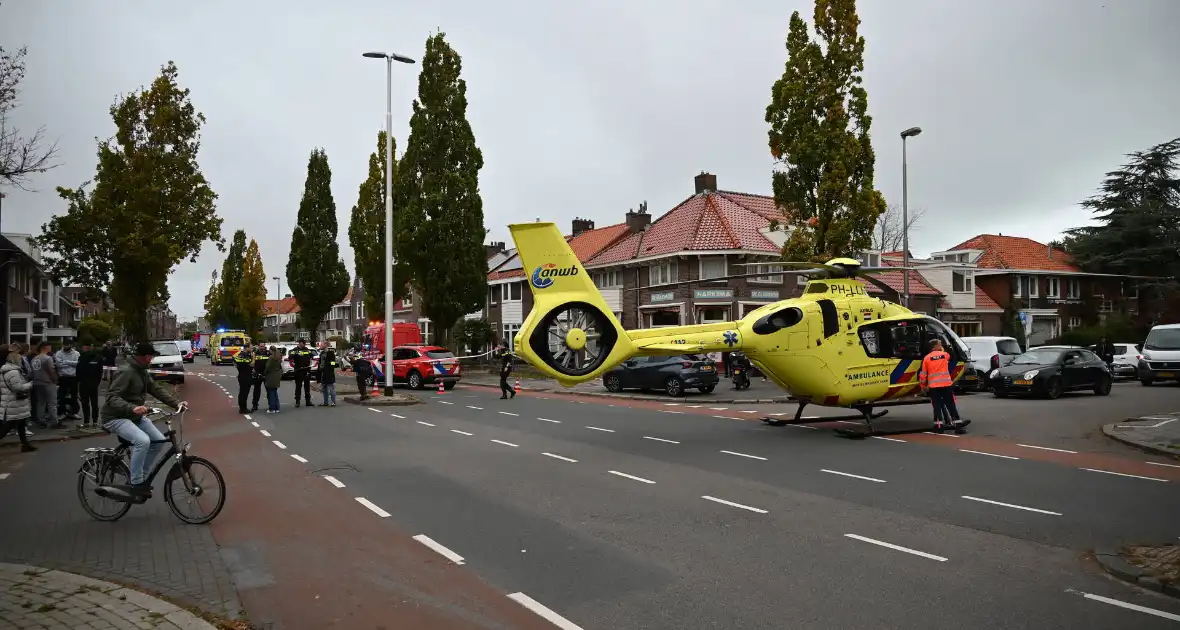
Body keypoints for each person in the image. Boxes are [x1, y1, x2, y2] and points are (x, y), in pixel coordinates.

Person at [100, 342, 187, 497]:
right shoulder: (126, 371)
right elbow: (111, 397)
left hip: (134, 417)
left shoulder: (142, 371)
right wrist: (132, 408)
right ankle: (135, 482)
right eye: (152, 356)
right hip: (115, 417)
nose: (152, 359)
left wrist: (176, 404)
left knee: (158, 441)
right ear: (146, 357)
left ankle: (142, 476)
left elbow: (156, 389)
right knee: (143, 441)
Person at [919, 339, 965, 435]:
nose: (941, 346)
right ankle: (958, 427)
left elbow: (923, 375)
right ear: (935, 347)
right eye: (939, 344)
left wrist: (923, 387)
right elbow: (949, 355)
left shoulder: (926, 358)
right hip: (946, 385)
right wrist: (942, 349)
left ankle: (939, 427)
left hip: (934, 387)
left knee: (937, 406)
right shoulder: (945, 355)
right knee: (951, 405)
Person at [0, 344, 37, 452]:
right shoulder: (13, 372)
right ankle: (25, 444)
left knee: (21, 424)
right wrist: (29, 385)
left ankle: (25, 444)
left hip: (11, 400)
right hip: (15, 402)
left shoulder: (4, 370)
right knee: (9, 425)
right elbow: (17, 387)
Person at [76, 341, 106, 432]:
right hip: (94, 383)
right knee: (94, 403)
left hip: (84, 383)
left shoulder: (82, 357)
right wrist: (97, 382)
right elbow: (100, 372)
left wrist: (79, 381)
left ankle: (86, 422)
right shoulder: (98, 358)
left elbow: (78, 371)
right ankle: (95, 421)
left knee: (85, 403)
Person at [30, 342, 60, 429]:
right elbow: (52, 371)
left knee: (40, 403)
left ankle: (41, 421)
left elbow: (32, 372)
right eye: (49, 347)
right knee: (52, 403)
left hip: (37, 383)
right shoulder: (47, 358)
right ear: (45, 347)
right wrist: (55, 380)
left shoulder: (34, 359)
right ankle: (54, 421)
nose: (50, 349)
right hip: (48, 383)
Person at [54, 342, 81, 421]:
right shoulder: (59, 353)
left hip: (73, 377)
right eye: (64, 345)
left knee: (74, 395)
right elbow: (59, 365)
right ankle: (62, 413)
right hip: (63, 377)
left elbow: (78, 363)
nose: (65, 346)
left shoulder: (76, 353)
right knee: (61, 396)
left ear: (70, 345)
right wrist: (71, 364)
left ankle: (73, 412)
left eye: (67, 344)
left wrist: (65, 362)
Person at [289, 340, 315, 407]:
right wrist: (294, 365)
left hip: (306, 370)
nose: (302, 345)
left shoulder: (307, 350)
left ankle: (308, 401)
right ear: (299, 343)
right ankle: (297, 402)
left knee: (307, 387)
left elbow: (312, 356)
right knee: (298, 387)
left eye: (303, 344)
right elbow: (290, 358)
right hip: (298, 370)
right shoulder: (294, 350)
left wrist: (311, 363)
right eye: (301, 343)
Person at [234, 344, 256, 414]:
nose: (252, 349)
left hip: (241, 374)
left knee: (242, 392)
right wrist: (253, 358)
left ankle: (242, 407)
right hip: (246, 376)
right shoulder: (245, 355)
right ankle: (243, 409)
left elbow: (235, 362)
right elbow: (252, 364)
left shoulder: (239, 355)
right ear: (247, 348)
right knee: (244, 393)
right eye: (251, 348)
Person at [318, 342, 338, 406]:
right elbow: (320, 363)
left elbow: (333, 363)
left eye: (321, 344)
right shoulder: (321, 353)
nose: (320, 345)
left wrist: (328, 365)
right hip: (323, 373)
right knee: (324, 388)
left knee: (331, 387)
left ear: (326, 345)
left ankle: (333, 402)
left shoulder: (330, 353)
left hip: (329, 373)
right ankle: (325, 402)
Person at [264, 346, 283, 413]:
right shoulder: (279, 357)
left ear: (271, 350)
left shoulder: (271, 358)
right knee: (275, 391)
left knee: (271, 392)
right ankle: (277, 407)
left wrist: (264, 373)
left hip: (271, 375)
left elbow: (267, 367)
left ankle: (272, 408)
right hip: (277, 374)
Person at [250, 345, 268, 412]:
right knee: (256, 391)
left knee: (268, 390)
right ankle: (255, 405)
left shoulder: (268, 353)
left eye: (263, 346)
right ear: (258, 347)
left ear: (264, 346)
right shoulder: (255, 353)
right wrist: (254, 371)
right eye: (260, 346)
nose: (262, 347)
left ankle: (271, 404)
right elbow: (252, 363)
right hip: (257, 374)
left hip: (266, 374)